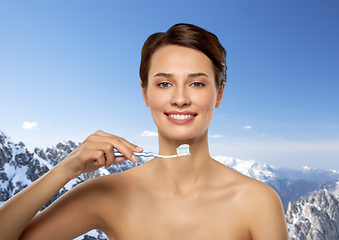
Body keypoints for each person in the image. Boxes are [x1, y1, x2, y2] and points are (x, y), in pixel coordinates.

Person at [0, 23, 289, 240]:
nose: (179, 98)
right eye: (164, 83)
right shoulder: (107, 194)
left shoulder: (257, 202)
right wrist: (64, 170)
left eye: (197, 83)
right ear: (145, 93)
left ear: (219, 94)